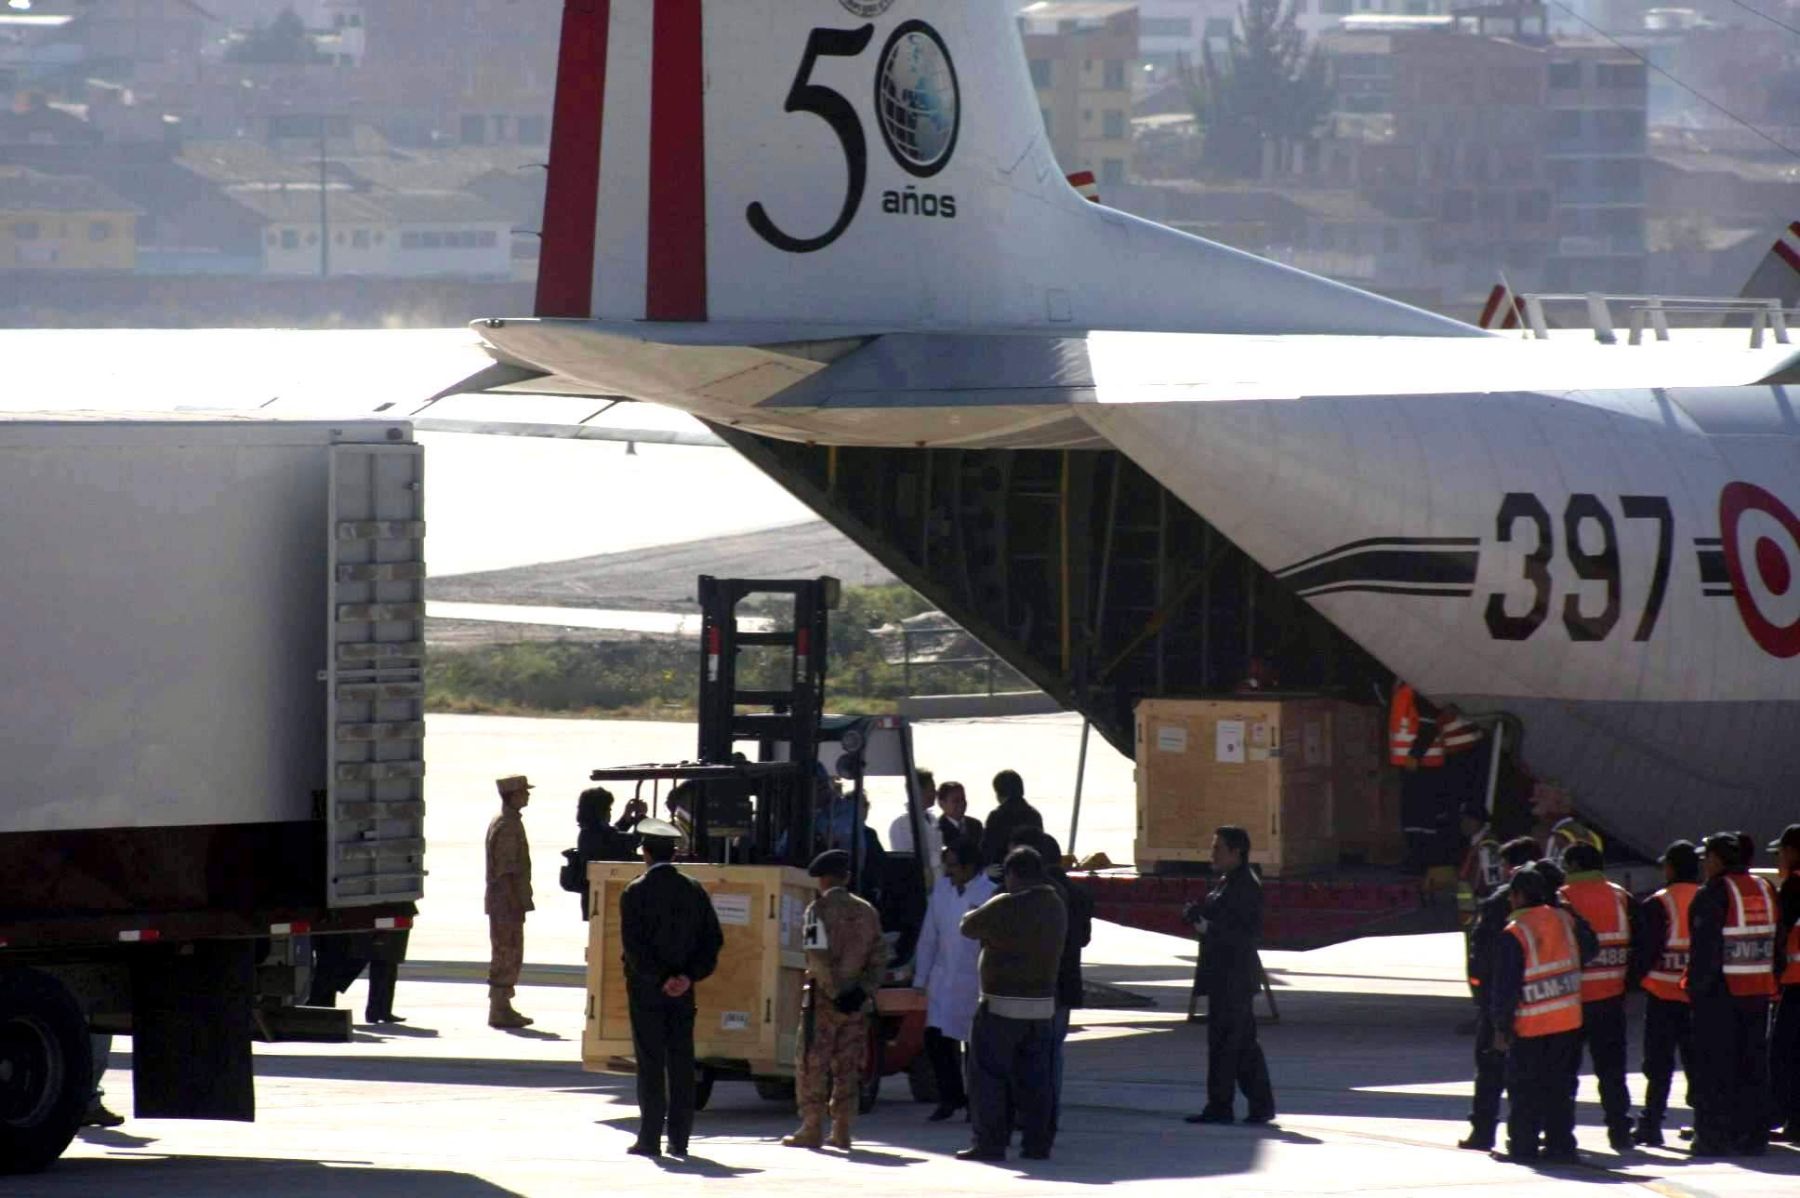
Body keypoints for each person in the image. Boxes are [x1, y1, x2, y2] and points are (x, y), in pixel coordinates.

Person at [619, 817, 725, 1158]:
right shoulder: (693, 889)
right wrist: (687, 977)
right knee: (681, 1062)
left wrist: (661, 977)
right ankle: (680, 1139)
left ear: (645, 853)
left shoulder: (635, 891)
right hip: (683, 991)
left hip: (647, 991)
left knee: (650, 1064)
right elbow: (712, 940)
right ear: (674, 853)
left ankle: (650, 1137)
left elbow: (635, 949)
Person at [957, 845, 1067, 1162]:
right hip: (1041, 1007)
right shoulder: (1055, 904)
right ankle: (1037, 1144)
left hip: (1001, 1006)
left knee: (989, 1078)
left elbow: (968, 925)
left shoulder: (1007, 904)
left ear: (1014, 875)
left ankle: (990, 1143)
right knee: (1036, 1082)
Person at [784, 849, 889, 1151]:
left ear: (823, 879)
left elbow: (816, 957)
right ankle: (842, 1129)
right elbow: (879, 958)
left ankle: (812, 1127)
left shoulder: (816, 911)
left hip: (824, 1003)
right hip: (856, 1004)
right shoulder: (868, 911)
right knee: (848, 1065)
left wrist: (834, 992)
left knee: (812, 1064)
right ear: (847, 877)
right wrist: (860, 992)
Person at [1489, 864, 1592, 1164]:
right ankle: (1561, 1145)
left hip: (1531, 1025)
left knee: (1524, 1091)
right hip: (1568, 1020)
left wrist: (1501, 1026)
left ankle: (1523, 1146)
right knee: (1560, 1089)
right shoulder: (1564, 919)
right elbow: (1590, 947)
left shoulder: (1515, 931)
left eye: (1512, 896)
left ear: (1519, 896)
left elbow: (1505, 987)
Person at [1685, 831, 1779, 1156]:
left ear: (1715, 859)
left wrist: (1696, 991)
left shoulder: (1713, 892)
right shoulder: (1765, 888)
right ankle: (1752, 1136)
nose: (1703, 864)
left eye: (1705, 858)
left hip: (1720, 994)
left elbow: (1704, 949)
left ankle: (1713, 1137)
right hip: (1757, 991)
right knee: (1753, 1066)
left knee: (1714, 1067)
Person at [1184, 825, 1276, 1127]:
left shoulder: (1244, 886)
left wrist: (1206, 927)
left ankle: (1222, 1106)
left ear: (1237, 852)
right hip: (1225, 976)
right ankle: (1257, 1105)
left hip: (1233, 978)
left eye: (1218, 849)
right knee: (1241, 1045)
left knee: (1228, 1045)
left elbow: (1242, 933)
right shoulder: (1229, 881)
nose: (1212, 854)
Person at [1460, 835, 1545, 1150]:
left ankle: (1484, 1131)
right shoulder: (1557, 905)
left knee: (1491, 1069)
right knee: (1537, 1076)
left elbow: (1480, 958)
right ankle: (1539, 1134)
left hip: (1503, 1001)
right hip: (1546, 1006)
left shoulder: (1498, 903)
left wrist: (1483, 1000)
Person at [1011, 827, 1093, 1134]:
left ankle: (1034, 1113)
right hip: (1067, 982)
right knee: (1053, 1052)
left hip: (1042, 983)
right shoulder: (1077, 893)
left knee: (1034, 1052)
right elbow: (1083, 938)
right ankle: (1049, 1111)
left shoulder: (1039, 896)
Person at [1556, 842, 1635, 1151]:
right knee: (1613, 1072)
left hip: (1574, 1001)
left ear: (1573, 865)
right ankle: (1620, 1130)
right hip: (1612, 997)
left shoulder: (1562, 898)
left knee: (1566, 1073)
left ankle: (1562, 1135)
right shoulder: (1620, 896)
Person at [912, 835, 996, 1121]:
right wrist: (920, 979)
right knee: (936, 1040)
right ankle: (950, 1097)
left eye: (955, 867)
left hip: (975, 981)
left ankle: (977, 1102)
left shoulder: (989, 893)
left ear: (971, 866)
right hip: (943, 978)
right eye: (946, 866)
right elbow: (929, 937)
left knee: (976, 1049)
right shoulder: (942, 890)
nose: (950, 873)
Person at [1632, 839, 1699, 1147]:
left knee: (1658, 1066)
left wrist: (1636, 980)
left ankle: (1652, 1123)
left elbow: (1645, 950)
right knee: (1698, 1062)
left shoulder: (1659, 903)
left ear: (1670, 868)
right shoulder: (1708, 897)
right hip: (1697, 997)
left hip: (1662, 995)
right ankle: (1703, 1121)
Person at [487, 774, 535, 1029]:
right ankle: (500, 1008)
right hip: (506, 902)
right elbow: (506, 870)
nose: (527, 795)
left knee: (509, 951)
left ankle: (503, 1006)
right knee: (507, 952)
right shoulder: (507, 825)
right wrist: (516, 901)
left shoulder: (510, 821)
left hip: (508, 901)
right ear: (512, 796)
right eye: (524, 792)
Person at [564, 786, 637, 921]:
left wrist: (626, 818)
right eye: (608, 809)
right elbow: (631, 841)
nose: (609, 813)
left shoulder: (589, 832)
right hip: (601, 896)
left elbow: (614, 836)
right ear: (600, 811)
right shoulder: (597, 834)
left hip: (594, 896)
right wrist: (642, 819)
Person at [1770, 823, 1800, 1142]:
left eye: (1780, 852)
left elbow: (1779, 933)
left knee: (1786, 1054)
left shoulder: (1793, 886)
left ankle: (1794, 1121)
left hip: (1796, 984)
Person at [979, 770, 1043, 868]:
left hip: (1004, 870)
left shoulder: (997, 816)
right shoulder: (1034, 814)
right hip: (1032, 867)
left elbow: (988, 849)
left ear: (998, 793)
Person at [889, 768, 937, 855]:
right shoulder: (900, 825)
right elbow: (906, 856)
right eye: (931, 789)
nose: (935, 793)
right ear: (918, 791)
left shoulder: (933, 819)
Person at [937, 782, 984, 862]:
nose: (961, 804)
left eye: (963, 799)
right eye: (955, 800)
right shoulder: (937, 828)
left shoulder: (975, 824)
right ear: (942, 804)